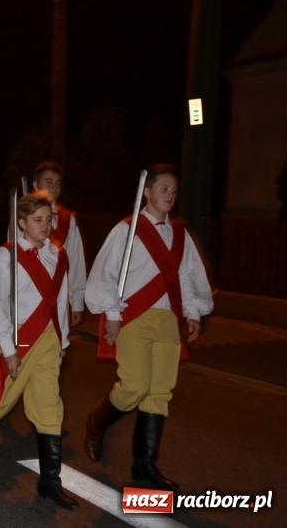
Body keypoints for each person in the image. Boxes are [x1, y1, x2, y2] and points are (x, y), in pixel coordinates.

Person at [83, 163, 213, 491]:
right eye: (163, 188)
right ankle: (98, 421)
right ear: (147, 191)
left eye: (173, 190)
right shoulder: (127, 230)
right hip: (134, 317)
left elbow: (188, 276)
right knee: (135, 387)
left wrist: (193, 312)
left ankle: (144, 466)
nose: (169, 195)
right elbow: (106, 273)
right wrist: (111, 312)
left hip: (168, 320)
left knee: (158, 393)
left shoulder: (180, 234)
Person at [0, 193, 78, 510]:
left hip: (48, 340)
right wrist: (7, 350)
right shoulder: (7, 256)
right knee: (1, 400)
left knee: (49, 407)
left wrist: (63, 342)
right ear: (21, 223)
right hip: (16, 340)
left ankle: (49, 483)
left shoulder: (58, 254)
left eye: (49, 219)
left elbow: (61, 302)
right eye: (37, 220)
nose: (45, 226)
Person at [31, 161, 86, 328]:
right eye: (48, 182)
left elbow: (76, 262)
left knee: (56, 347)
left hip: (58, 294)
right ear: (35, 185)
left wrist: (77, 302)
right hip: (29, 292)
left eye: (57, 183)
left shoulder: (67, 219)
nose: (54, 187)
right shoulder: (22, 216)